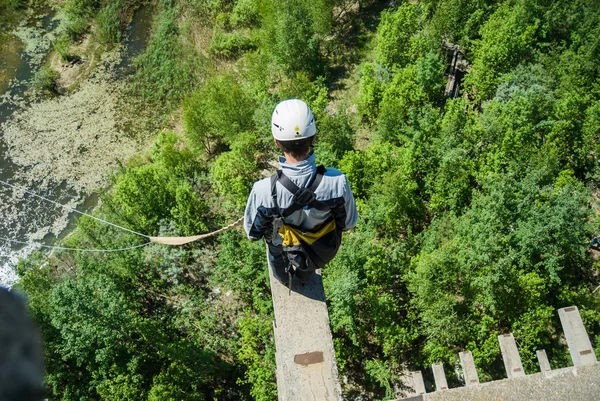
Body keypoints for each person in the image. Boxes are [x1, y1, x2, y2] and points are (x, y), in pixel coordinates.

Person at [244, 98, 358, 286]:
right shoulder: (338, 182)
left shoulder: (263, 190)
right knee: (310, 263)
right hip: (317, 245)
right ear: (313, 138)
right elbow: (348, 223)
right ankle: (303, 280)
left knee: (275, 252)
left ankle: (283, 280)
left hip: (281, 242)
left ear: (276, 142)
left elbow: (252, 233)